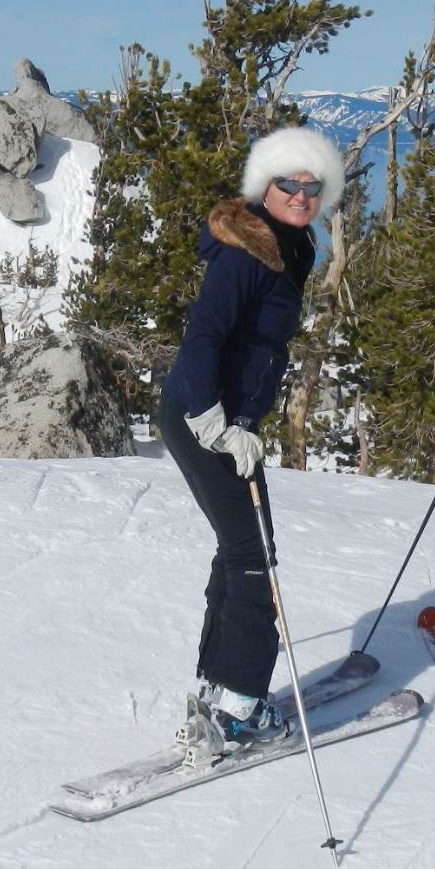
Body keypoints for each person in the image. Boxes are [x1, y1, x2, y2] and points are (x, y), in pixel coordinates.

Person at [160, 125, 345, 764]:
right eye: (287, 182)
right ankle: (239, 706)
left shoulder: (292, 246)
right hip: (203, 415)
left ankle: (217, 687)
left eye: (311, 184)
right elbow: (203, 340)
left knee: (240, 547)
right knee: (250, 555)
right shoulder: (245, 254)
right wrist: (214, 422)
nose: (300, 193)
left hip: (230, 420)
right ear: (262, 186)